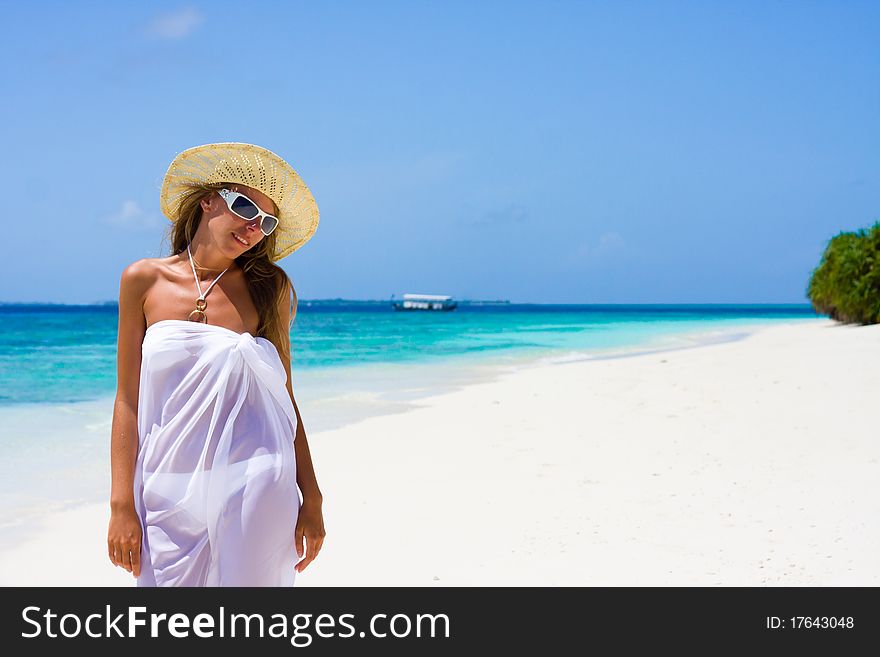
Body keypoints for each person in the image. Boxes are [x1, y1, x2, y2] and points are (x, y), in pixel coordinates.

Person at [107, 142, 325, 586]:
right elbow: (127, 399)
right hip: (167, 480)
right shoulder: (143, 280)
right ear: (209, 200)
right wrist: (120, 504)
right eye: (244, 206)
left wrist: (313, 497)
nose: (253, 227)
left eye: (267, 222)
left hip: (257, 474)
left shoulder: (271, 289)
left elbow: (284, 400)